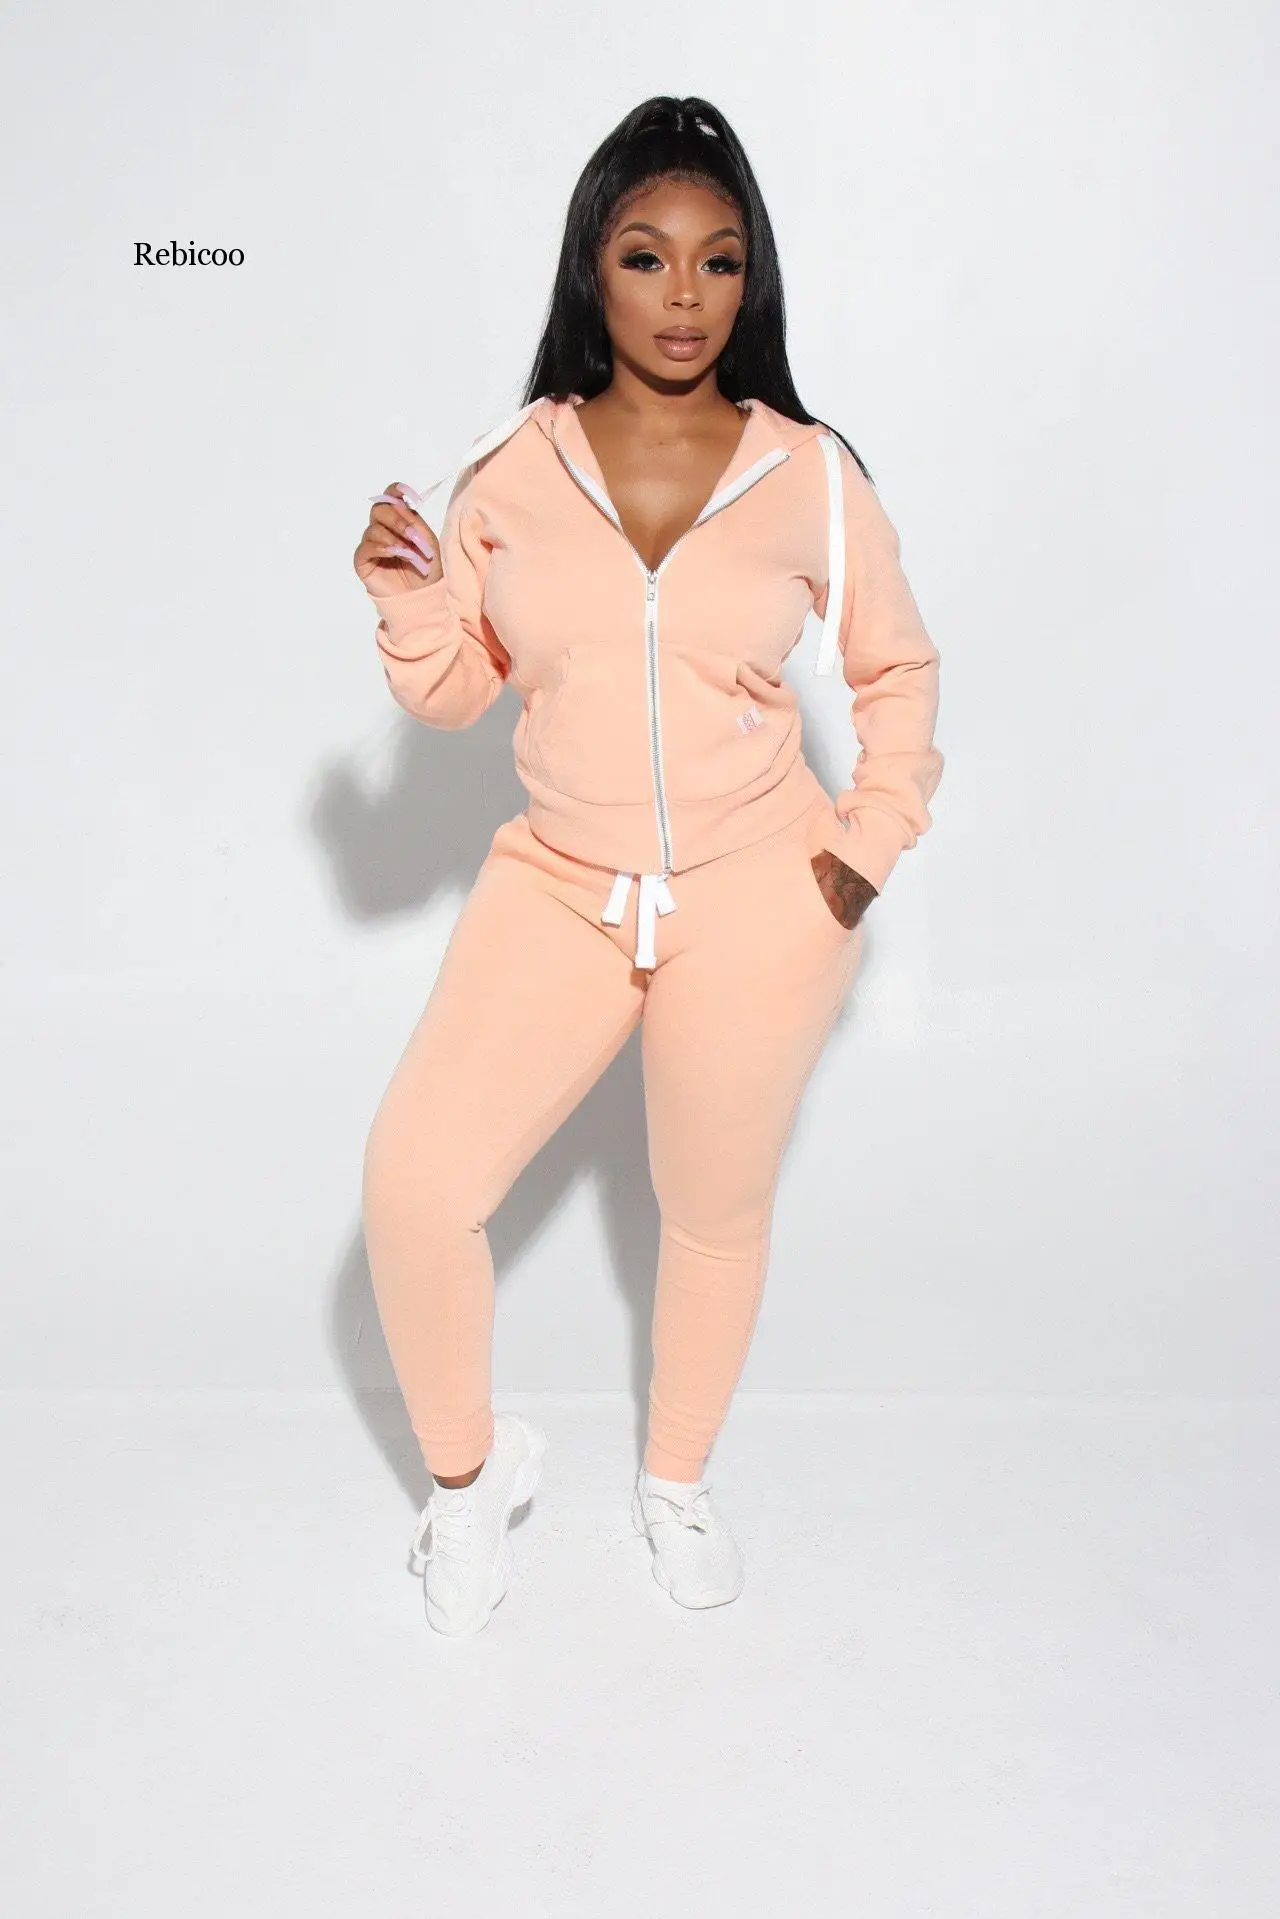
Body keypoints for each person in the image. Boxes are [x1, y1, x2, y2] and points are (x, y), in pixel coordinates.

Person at [352, 94, 944, 1637]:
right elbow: (458, 688)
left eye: (718, 260)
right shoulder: (512, 466)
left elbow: (896, 669)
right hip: (558, 880)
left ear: (751, 279)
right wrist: (408, 597)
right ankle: (469, 1483)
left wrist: (858, 856)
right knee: (416, 1184)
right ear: (591, 271)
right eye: (646, 255)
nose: (685, 294)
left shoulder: (808, 473)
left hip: (762, 895)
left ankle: (676, 1481)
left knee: (710, 1206)